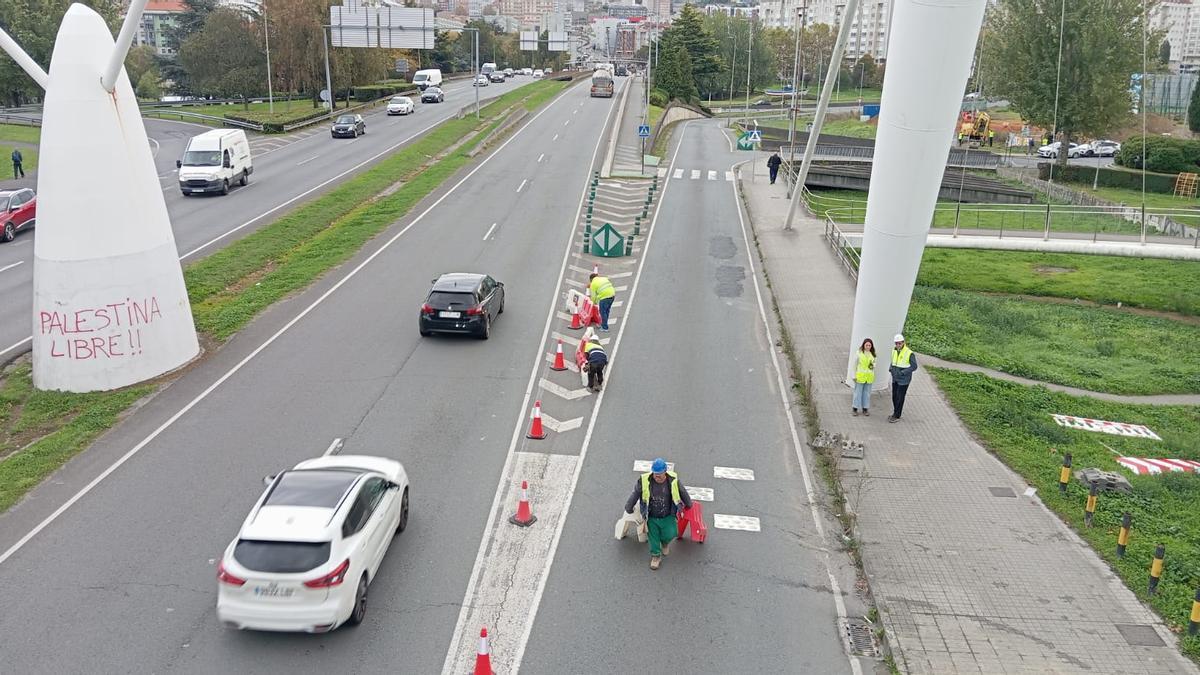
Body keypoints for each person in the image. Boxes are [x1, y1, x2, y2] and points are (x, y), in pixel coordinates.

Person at [624, 458, 693, 570]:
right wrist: (629, 507)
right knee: (653, 537)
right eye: (655, 474)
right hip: (651, 515)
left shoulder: (673, 480)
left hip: (668, 515)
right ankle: (656, 556)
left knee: (672, 533)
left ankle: (665, 543)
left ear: (665, 472)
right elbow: (635, 494)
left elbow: (682, 492)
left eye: (660, 474)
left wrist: (688, 504)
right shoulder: (644, 481)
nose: (657, 477)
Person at [888, 333, 918, 423]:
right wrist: (891, 368)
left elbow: (914, 366)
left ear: (903, 342)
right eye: (896, 343)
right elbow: (893, 361)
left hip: (904, 380)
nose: (898, 345)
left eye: (900, 343)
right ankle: (895, 413)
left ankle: (897, 415)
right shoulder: (894, 351)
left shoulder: (909, 353)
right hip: (895, 378)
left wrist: (903, 372)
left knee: (900, 397)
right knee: (894, 396)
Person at [852, 338, 875, 416]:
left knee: (867, 393)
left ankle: (865, 408)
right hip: (860, 377)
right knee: (857, 393)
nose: (868, 347)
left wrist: (872, 366)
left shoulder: (873, 355)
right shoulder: (859, 353)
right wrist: (853, 375)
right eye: (866, 345)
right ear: (864, 345)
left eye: (869, 345)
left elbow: (874, 364)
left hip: (869, 377)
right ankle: (855, 408)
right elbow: (854, 365)